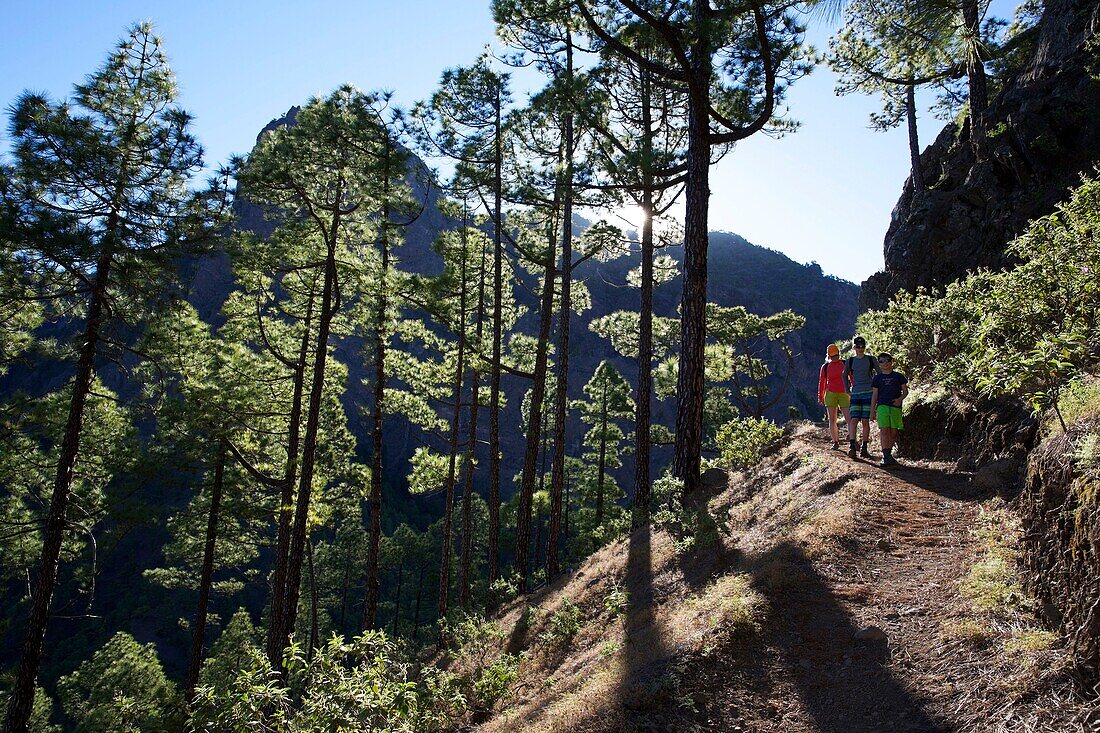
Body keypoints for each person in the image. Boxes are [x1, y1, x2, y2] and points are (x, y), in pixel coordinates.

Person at [870, 353, 909, 467]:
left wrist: (900, 399)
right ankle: (886, 456)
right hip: (882, 406)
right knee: (884, 430)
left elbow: (905, 391)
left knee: (894, 432)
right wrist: (872, 411)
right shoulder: (877, 378)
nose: (885, 363)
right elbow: (874, 395)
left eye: (887, 360)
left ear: (892, 362)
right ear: (879, 364)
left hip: (895, 407)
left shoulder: (899, 376)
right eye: (881, 361)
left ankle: (888, 455)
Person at [844, 336, 879, 458]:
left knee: (865, 421)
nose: (860, 349)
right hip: (856, 394)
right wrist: (847, 390)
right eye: (858, 346)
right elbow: (844, 375)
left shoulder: (871, 359)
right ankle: (852, 446)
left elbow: (879, 374)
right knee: (853, 420)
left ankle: (864, 447)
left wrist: (877, 389)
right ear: (854, 347)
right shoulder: (850, 361)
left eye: (862, 346)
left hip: (868, 393)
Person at [818, 343, 856, 453]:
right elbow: (822, 382)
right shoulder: (825, 367)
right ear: (829, 356)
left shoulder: (845, 364)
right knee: (832, 419)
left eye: (836, 356)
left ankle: (853, 441)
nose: (835, 358)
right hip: (830, 394)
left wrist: (853, 389)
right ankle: (835, 442)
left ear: (839, 354)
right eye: (833, 356)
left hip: (844, 393)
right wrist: (820, 396)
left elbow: (852, 377)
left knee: (849, 418)